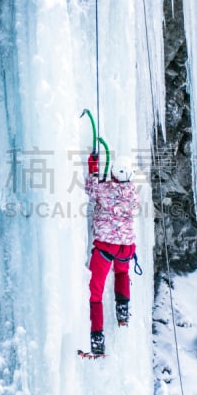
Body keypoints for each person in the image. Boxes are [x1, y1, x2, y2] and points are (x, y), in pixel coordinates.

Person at [84, 152, 139, 356]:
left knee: (95, 293)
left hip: (106, 246)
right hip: (126, 247)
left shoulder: (105, 190)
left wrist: (93, 167)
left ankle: (97, 337)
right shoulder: (133, 193)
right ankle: (122, 310)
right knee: (122, 273)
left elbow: (91, 190)